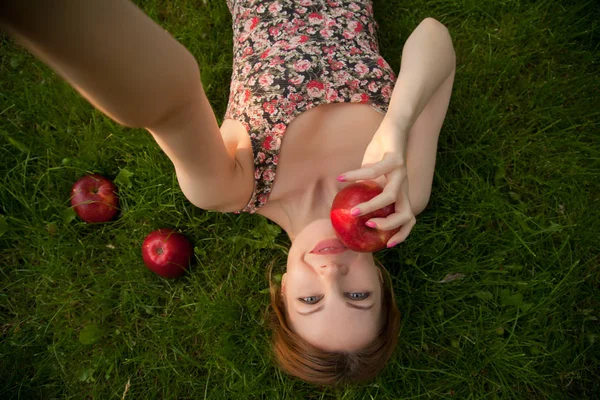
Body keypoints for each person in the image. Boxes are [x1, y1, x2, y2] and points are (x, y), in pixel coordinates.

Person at [0, 0, 456, 385]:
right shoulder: (400, 194)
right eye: (358, 296)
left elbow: (170, 100)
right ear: (382, 283)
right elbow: (433, 36)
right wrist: (397, 126)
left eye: (310, 300)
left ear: (281, 293)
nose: (330, 273)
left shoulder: (232, 189)